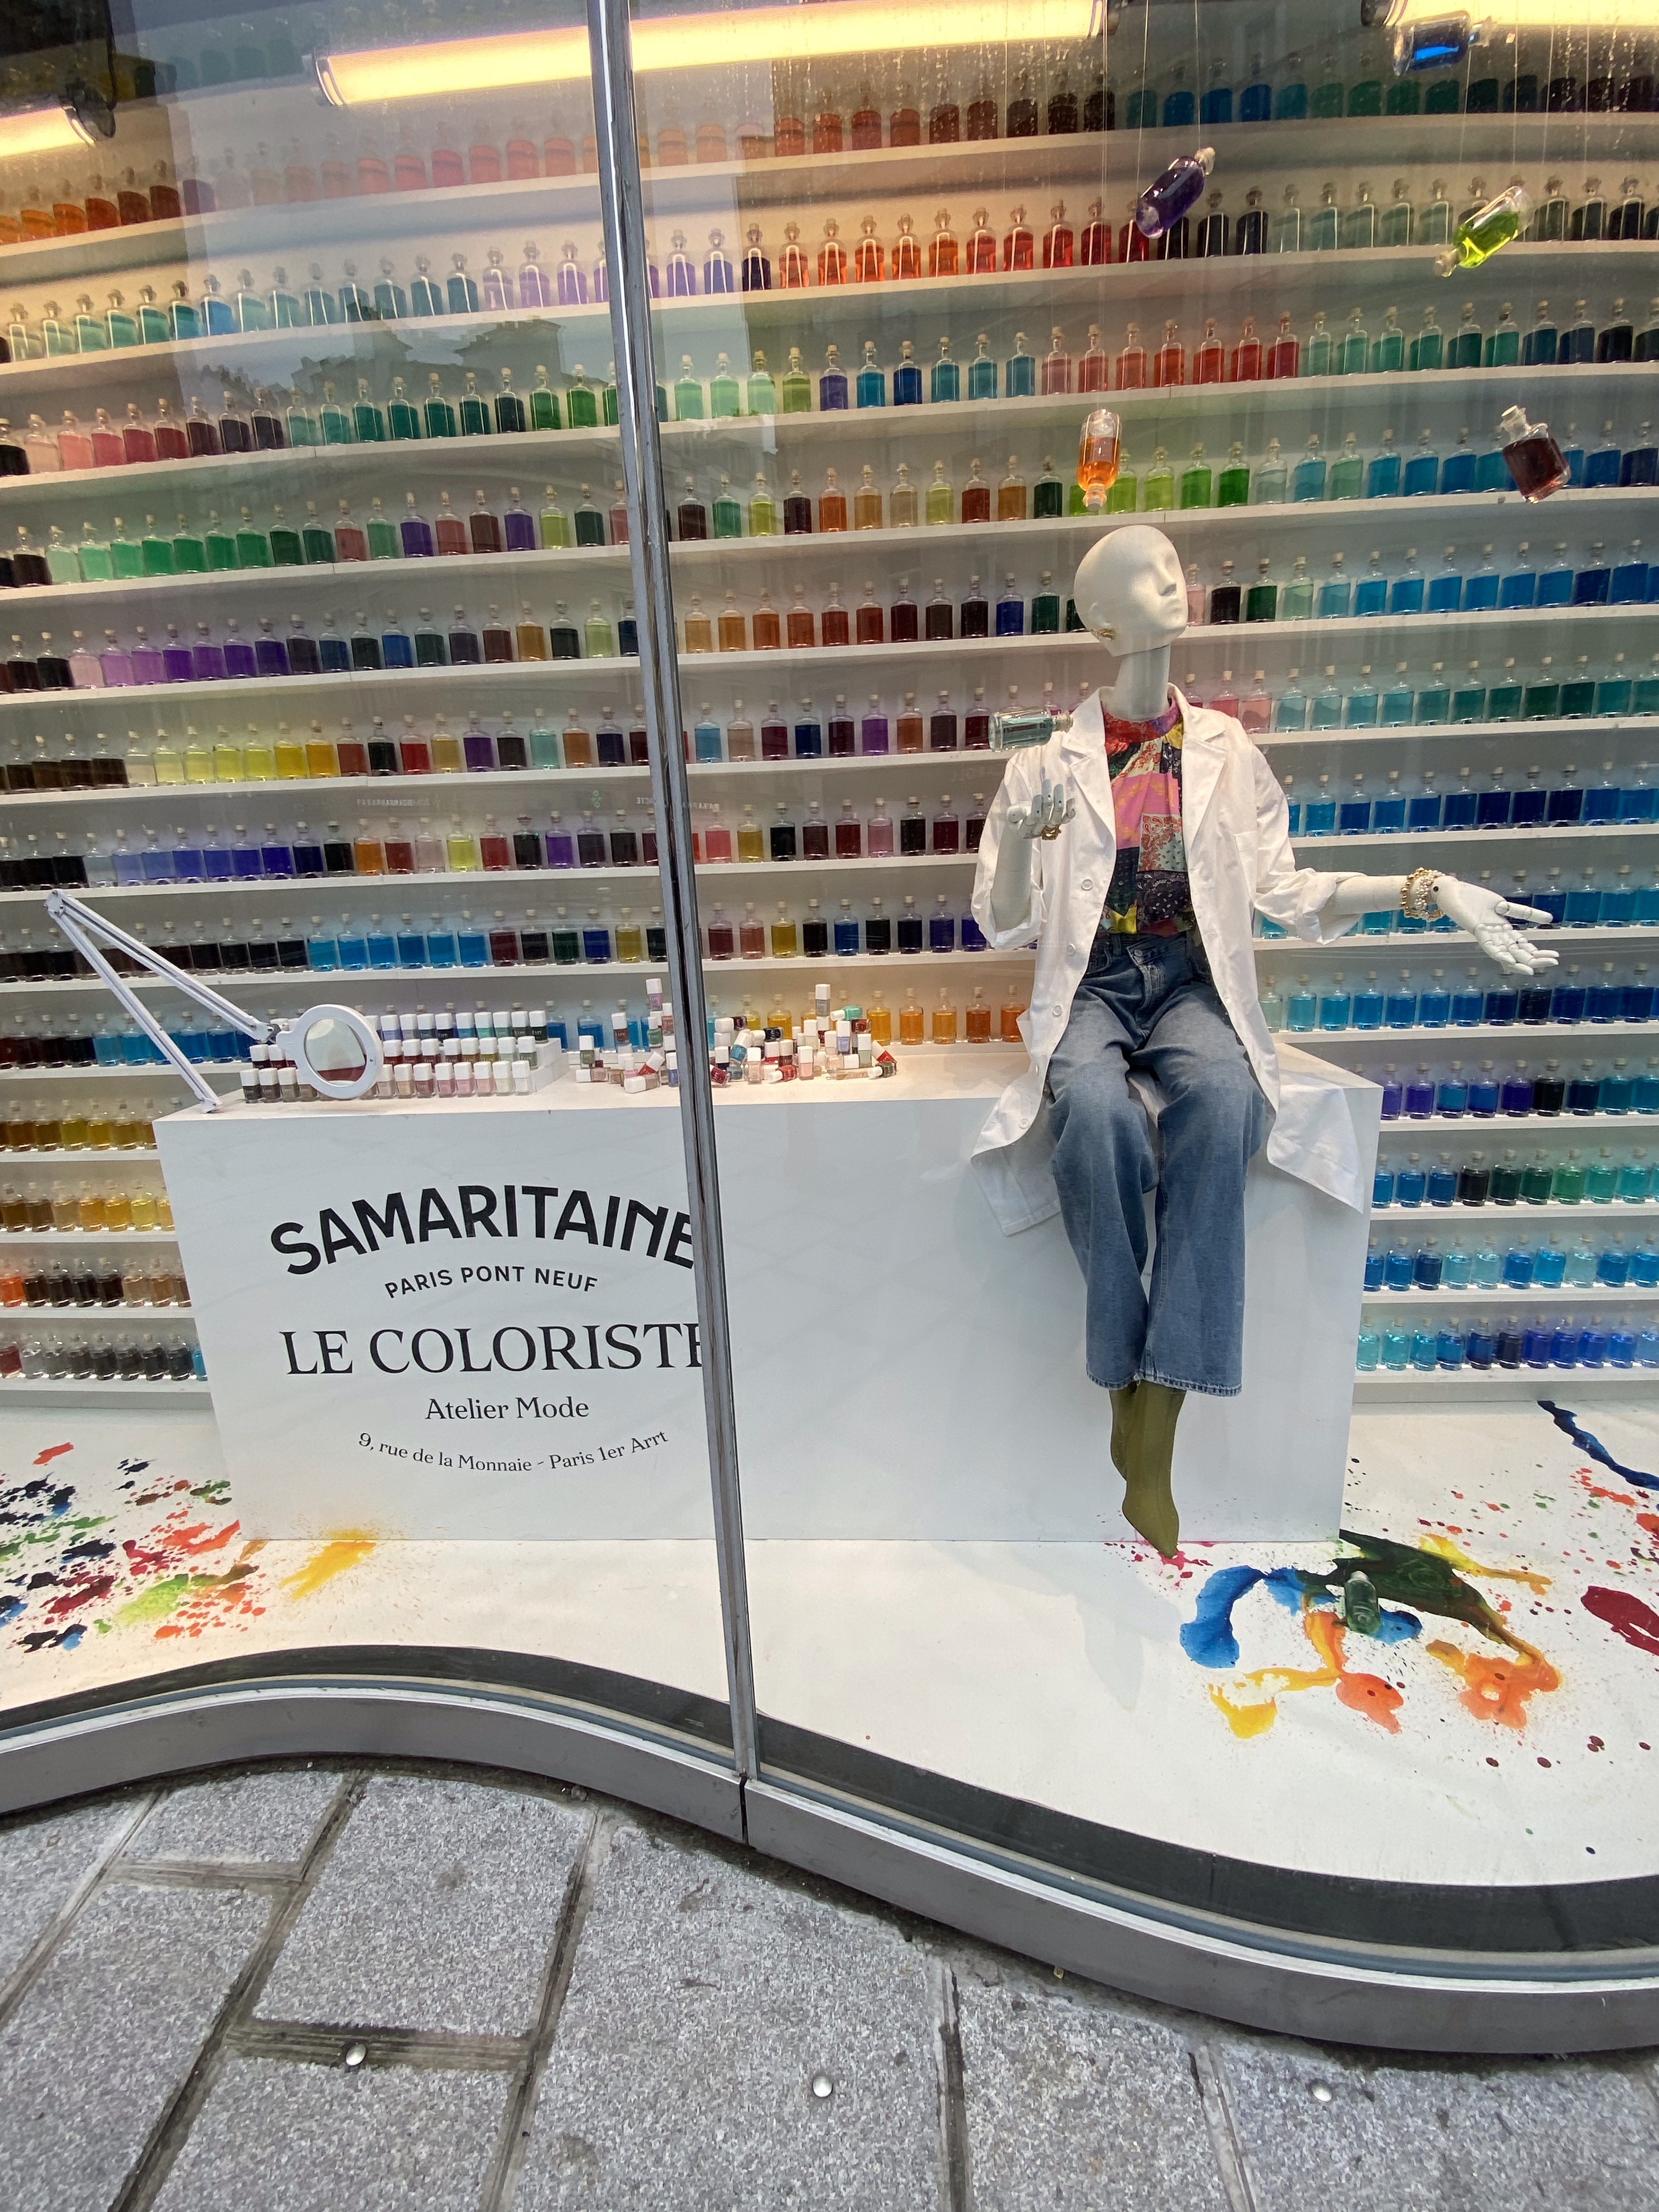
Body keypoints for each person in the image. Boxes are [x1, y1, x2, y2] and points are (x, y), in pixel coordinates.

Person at [969, 526, 1555, 1554]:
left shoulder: (1228, 753)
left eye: (1172, 566)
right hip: (1094, 984)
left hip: (1192, 982)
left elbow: (1291, 889)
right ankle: (1121, 1377)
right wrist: (1020, 838)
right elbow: (1003, 922)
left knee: (1228, 1100)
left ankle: (1158, 1404)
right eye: (1142, 575)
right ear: (1099, 620)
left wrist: (1430, 889)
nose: (1172, 582)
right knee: (1095, 1116)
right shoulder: (1041, 764)